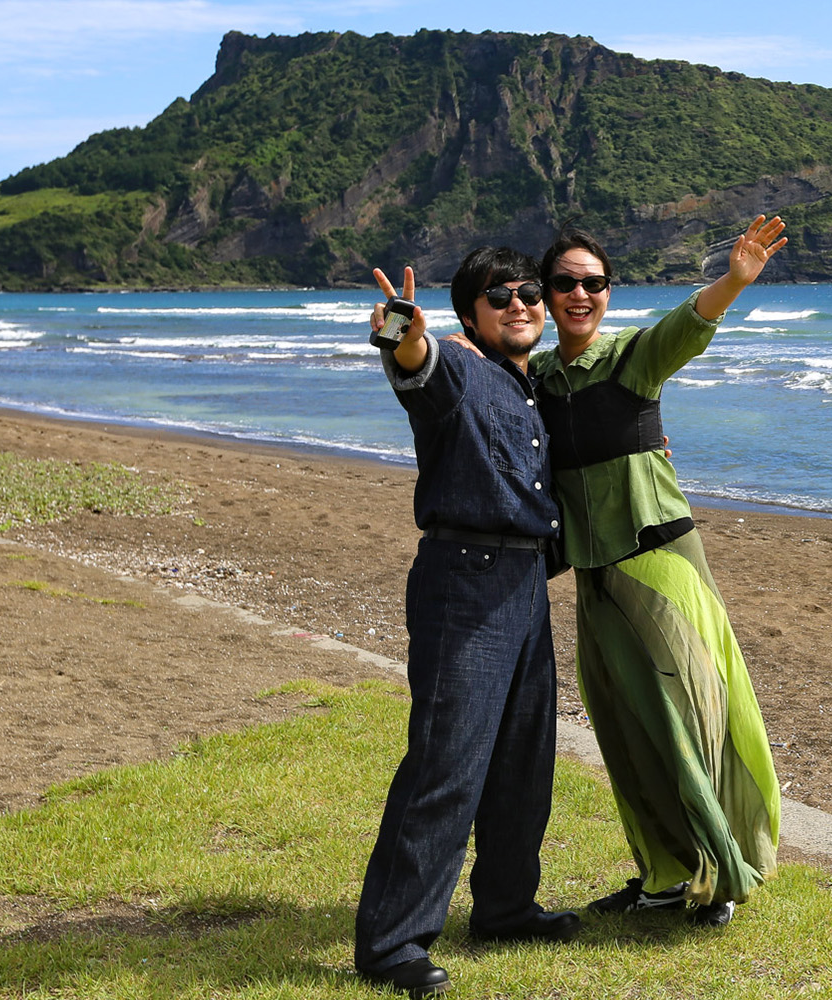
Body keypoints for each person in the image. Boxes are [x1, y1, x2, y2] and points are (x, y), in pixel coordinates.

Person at [529, 216, 788, 928]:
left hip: (660, 562)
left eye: (594, 283)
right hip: (594, 574)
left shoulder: (633, 359)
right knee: (625, 725)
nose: (580, 293)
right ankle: (665, 875)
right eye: (565, 283)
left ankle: (721, 875)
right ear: (547, 295)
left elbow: (689, 322)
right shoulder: (537, 379)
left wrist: (734, 279)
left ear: (609, 293)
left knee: (688, 718)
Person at [355, 249, 578, 998]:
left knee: (524, 759)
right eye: (499, 296)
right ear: (469, 315)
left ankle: (506, 909)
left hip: (524, 581)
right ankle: (393, 946)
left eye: (528, 293)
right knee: (447, 763)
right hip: (465, 580)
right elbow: (411, 363)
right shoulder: (455, 366)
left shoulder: (531, 385)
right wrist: (398, 327)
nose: (520, 305)